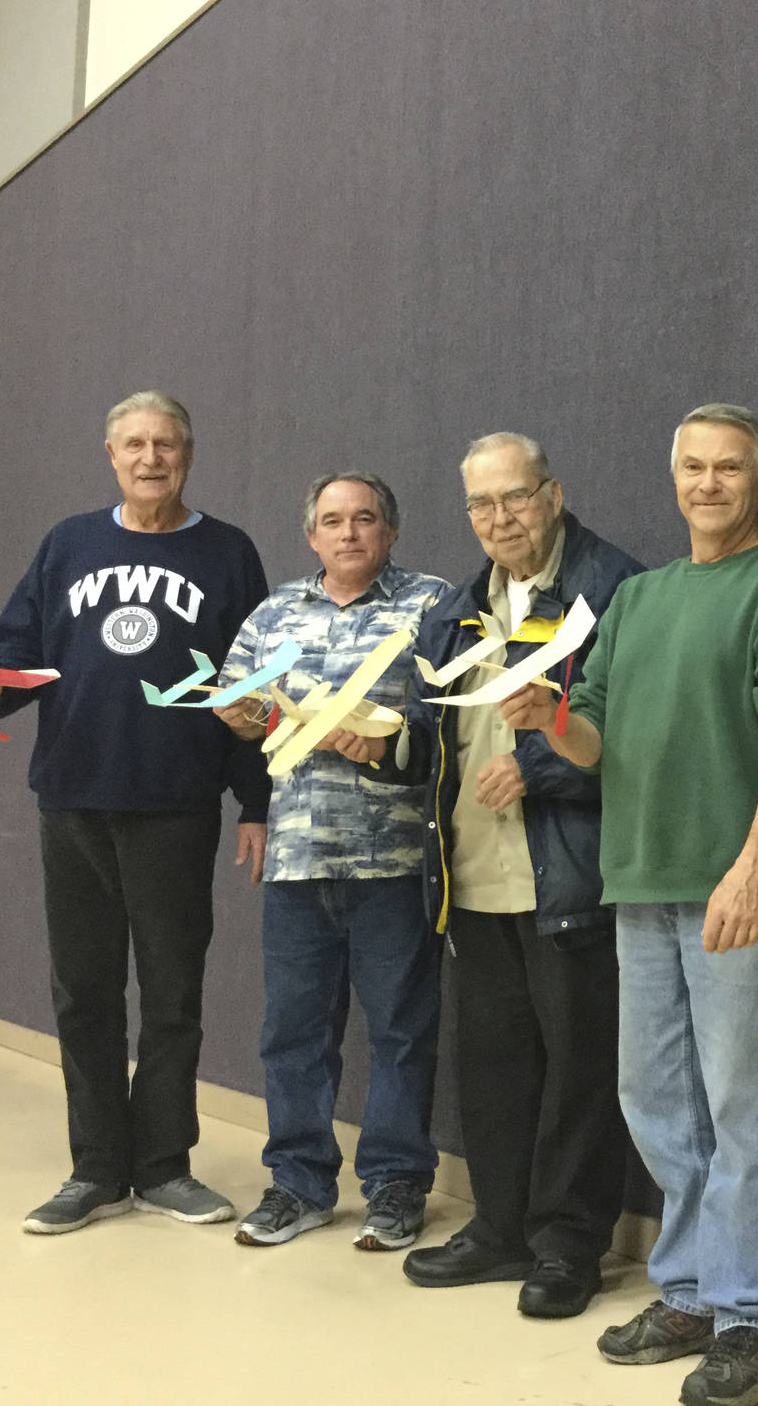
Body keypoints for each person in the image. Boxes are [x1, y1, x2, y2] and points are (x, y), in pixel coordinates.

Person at [500, 404, 758, 1406]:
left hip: (741, 894)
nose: (707, 483)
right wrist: (548, 716)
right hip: (638, 885)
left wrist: (753, 864)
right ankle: (688, 1292)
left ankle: (752, 1319)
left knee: (742, 1110)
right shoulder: (638, 600)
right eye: (691, 467)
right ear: (672, 477)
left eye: (728, 468)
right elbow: (593, 739)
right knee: (654, 1106)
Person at [0, 391, 269, 1235]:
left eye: (165, 445)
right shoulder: (67, 543)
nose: (149, 459)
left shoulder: (228, 552)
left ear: (188, 455)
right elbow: (17, 651)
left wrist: (256, 800)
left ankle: (164, 1165)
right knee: (83, 990)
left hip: (176, 801)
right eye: (133, 444)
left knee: (173, 993)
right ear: (110, 455)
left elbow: (254, 684)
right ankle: (97, 1168)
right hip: (72, 799)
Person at [398, 433, 643, 1318]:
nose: (499, 519)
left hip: (568, 876)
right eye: (480, 506)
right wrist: (377, 741)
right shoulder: (460, 608)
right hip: (473, 877)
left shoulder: (615, 587)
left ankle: (570, 1245)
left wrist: (538, 771)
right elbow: (433, 737)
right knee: (494, 1064)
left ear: (554, 493)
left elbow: (638, 741)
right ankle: (499, 1227)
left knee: (580, 1066)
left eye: (515, 498)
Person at [211, 472, 449, 1252]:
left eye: (365, 519)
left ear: (391, 529)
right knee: (293, 1034)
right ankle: (299, 1185)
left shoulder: (430, 605)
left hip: (394, 858)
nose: (349, 533)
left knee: (401, 1032)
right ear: (311, 534)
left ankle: (394, 1187)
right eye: (332, 521)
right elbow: (235, 704)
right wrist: (240, 714)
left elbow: (456, 716)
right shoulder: (275, 611)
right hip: (298, 860)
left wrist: (392, 737)